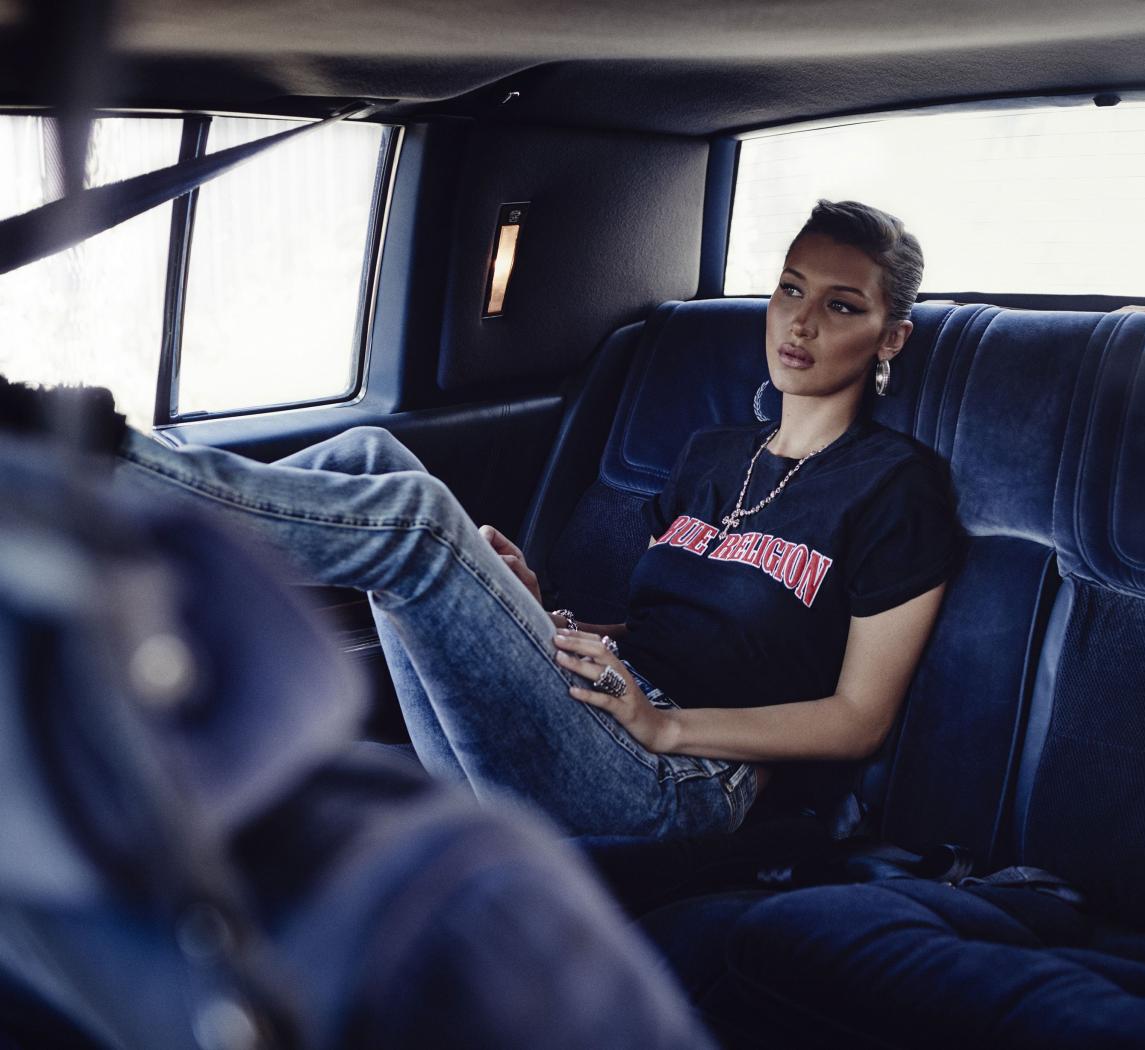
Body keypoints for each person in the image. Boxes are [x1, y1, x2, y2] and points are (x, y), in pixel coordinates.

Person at [99, 199, 960, 839]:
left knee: (420, 524)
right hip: (597, 705)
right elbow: (663, 632)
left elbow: (859, 718)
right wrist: (541, 611)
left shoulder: (894, 487)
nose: (800, 322)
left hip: (690, 776)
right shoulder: (712, 454)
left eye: (842, 305)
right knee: (371, 453)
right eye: (790, 288)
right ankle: (110, 544)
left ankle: (99, 485)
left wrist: (664, 726)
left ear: (891, 338)